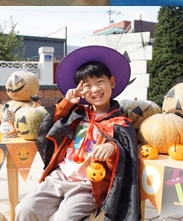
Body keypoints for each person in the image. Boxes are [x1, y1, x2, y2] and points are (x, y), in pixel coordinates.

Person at [15, 45, 139, 221]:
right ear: (81, 91)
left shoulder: (120, 123)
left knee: (64, 219)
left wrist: (113, 149)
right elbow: (49, 127)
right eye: (87, 85)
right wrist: (67, 102)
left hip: (87, 185)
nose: (95, 89)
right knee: (24, 210)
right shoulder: (76, 114)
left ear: (111, 82)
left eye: (100, 82)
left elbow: (125, 158)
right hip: (59, 176)